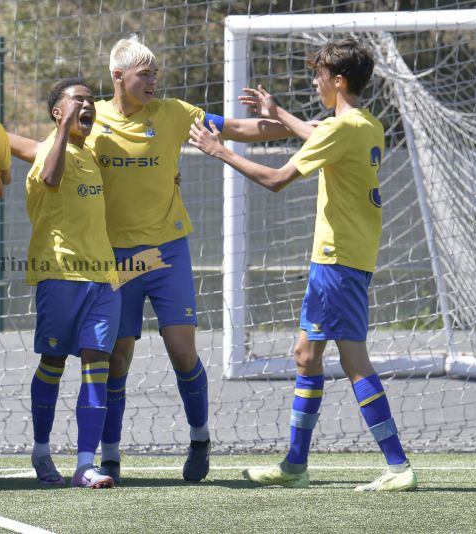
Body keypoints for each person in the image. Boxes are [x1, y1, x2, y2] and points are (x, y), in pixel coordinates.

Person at [10, 35, 300, 484]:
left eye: (156, 73)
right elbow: (39, 151)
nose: (153, 81)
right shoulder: (90, 119)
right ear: (118, 77)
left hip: (166, 251)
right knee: (116, 356)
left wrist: (292, 123)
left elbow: (240, 131)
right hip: (114, 257)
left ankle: (200, 437)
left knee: (183, 351)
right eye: (145, 74)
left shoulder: (175, 114)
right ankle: (108, 456)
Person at [188, 37, 417, 492]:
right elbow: (321, 135)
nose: (314, 83)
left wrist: (221, 152)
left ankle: (398, 465)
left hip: (337, 260)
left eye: (318, 76)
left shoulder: (340, 129)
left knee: (354, 362)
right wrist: (277, 113)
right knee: (306, 356)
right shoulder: (367, 125)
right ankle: (295, 465)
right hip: (347, 258)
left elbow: (275, 179)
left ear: (337, 81)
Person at [25, 78, 120, 488]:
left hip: (103, 279)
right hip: (60, 275)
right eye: (78, 100)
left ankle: (85, 463)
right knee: (53, 364)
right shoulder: (50, 149)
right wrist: (63, 129)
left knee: (97, 368)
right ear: (57, 111)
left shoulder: (91, 155)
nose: (89, 105)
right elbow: (48, 178)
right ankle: (42, 449)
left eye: (91, 100)